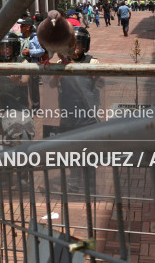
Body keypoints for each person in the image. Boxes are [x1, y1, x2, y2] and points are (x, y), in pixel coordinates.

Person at [52, 26, 101, 192]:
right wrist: (61, 69)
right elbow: (52, 83)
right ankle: (74, 182)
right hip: (68, 112)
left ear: (85, 46)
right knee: (72, 150)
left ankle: (91, 185)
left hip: (87, 113)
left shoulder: (92, 61)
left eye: (79, 44)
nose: (76, 48)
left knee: (88, 151)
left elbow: (99, 81)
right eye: (72, 45)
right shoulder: (61, 62)